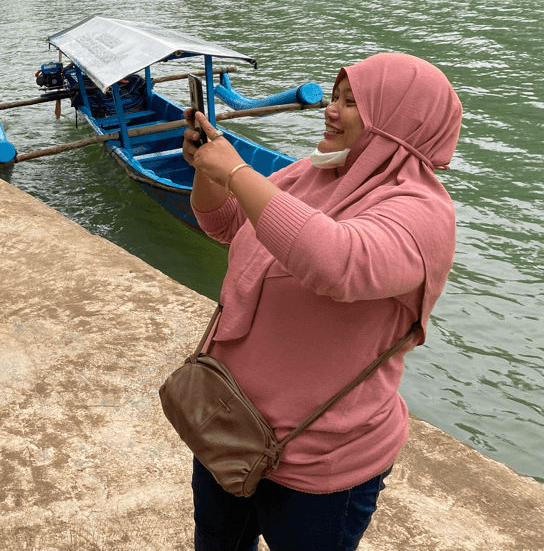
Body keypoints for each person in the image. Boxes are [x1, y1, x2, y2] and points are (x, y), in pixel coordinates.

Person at [180, 52, 461, 551]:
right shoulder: (310, 174)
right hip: (228, 425)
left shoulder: (422, 214)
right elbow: (223, 223)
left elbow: (339, 262)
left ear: (398, 123)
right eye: (334, 97)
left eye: (353, 102)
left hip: (320, 462)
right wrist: (208, 167)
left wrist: (239, 173)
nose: (331, 110)